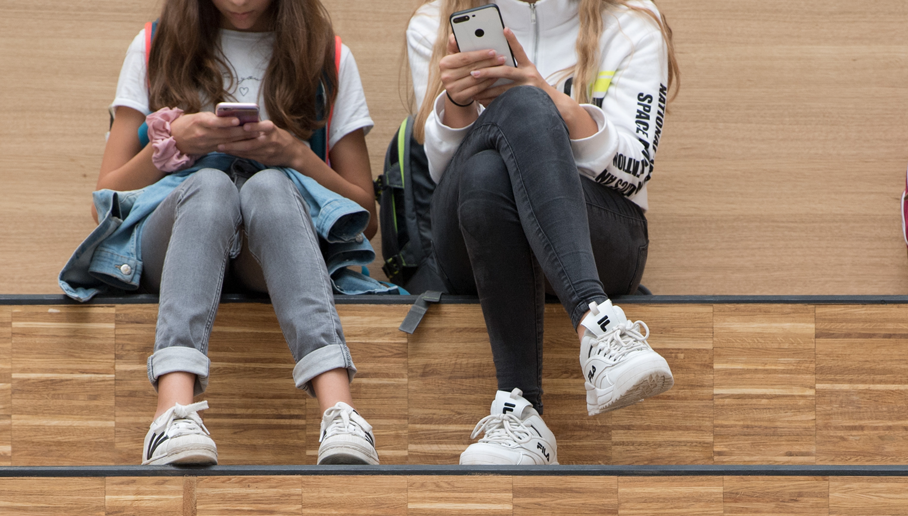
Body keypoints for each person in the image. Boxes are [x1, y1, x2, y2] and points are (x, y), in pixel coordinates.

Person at [87, 0, 381, 465]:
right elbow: (105, 198)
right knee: (210, 185)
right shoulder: (154, 45)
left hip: (272, 249)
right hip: (179, 241)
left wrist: (295, 155)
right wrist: (176, 143)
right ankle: (171, 413)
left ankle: (341, 411)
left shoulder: (327, 55)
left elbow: (367, 214)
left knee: (268, 185)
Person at [406, 0, 681, 465]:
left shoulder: (633, 22)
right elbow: (443, 174)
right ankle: (599, 326)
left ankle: (522, 411)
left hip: (603, 236)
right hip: (472, 243)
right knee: (488, 171)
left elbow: (635, 170)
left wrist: (551, 100)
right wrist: (456, 103)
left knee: (525, 110)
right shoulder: (435, 22)